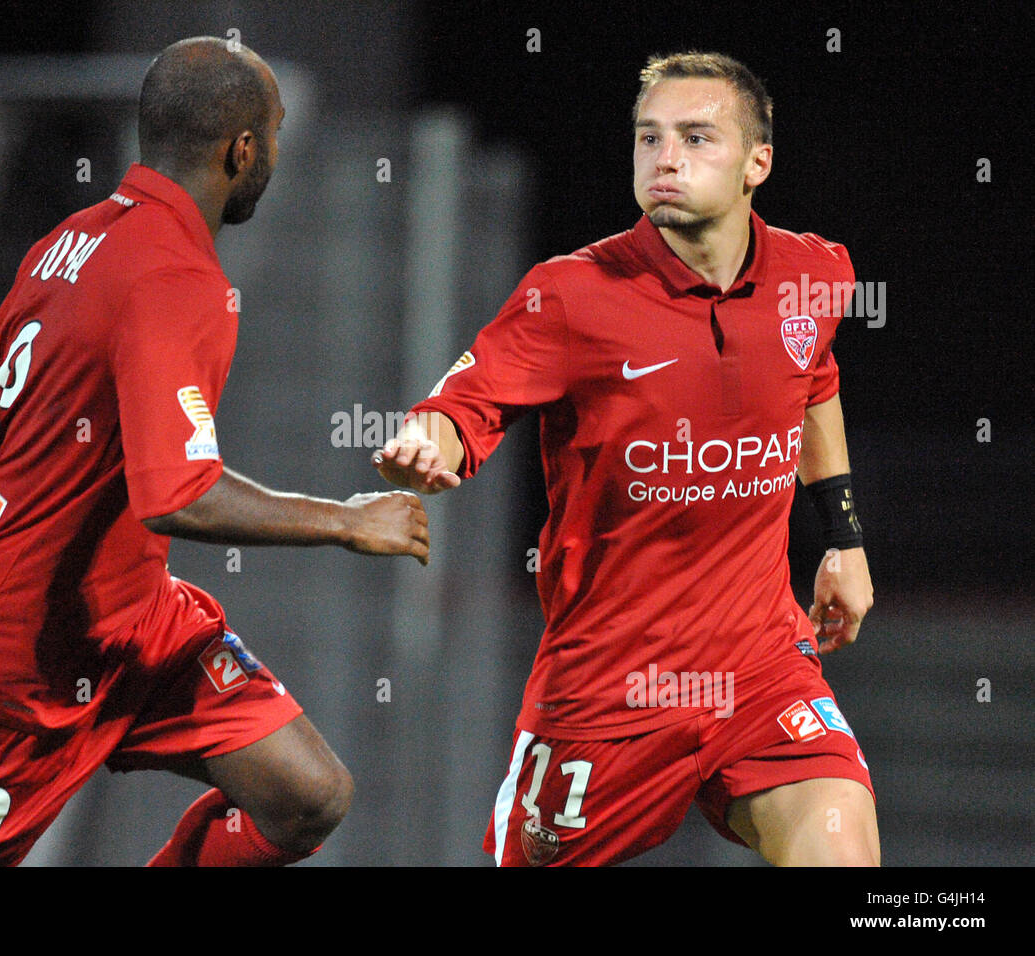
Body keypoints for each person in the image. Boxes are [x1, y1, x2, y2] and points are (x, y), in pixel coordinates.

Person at [0, 37, 429, 867]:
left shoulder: (70, 241)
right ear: (245, 150)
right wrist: (344, 521)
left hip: (131, 628)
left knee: (305, 796)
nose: (272, 153)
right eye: (271, 134)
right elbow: (177, 497)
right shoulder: (177, 276)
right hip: (8, 669)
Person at [374, 51, 877, 866]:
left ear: (759, 164)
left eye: (696, 137)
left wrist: (844, 541)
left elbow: (815, 385)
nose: (665, 158)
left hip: (759, 670)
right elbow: (464, 405)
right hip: (609, 689)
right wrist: (426, 444)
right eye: (649, 139)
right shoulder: (572, 295)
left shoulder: (812, 273)